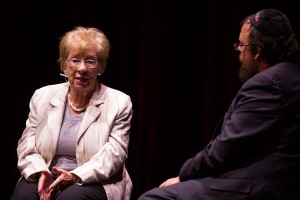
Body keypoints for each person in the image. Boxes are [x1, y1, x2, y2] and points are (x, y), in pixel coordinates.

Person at [138, 8, 300, 200]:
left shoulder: (268, 84)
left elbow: (226, 148)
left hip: (258, 186)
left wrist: (184, 174)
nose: (238, 52)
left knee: (155, 198)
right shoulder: (290, 76)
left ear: (257, 52)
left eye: (241, 45)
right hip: (268, 179)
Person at [10, 26, 133, 200]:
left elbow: (114, 155)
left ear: (100, 66)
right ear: (64, 64)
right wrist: (41, 171)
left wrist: (75, 176)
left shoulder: (119, 102)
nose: (82, 68)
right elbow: (27, 145)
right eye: (75, 60)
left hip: (92, 179)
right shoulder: (42, 95)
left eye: (90, 61)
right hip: (45, 171)